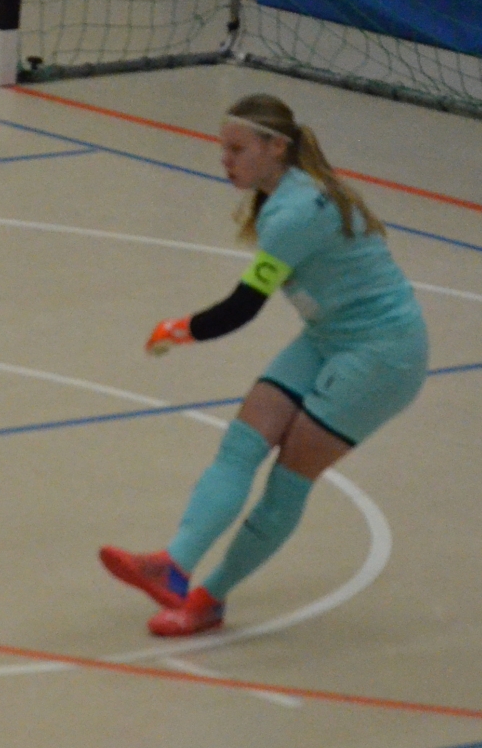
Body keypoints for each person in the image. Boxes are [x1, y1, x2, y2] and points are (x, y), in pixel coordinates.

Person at [100, 93, 428, 636]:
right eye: (222, 149)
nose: (225, 160)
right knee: (241, 443)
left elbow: (242, 308)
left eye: (237, 149)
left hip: (382, 354)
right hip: (328, 336)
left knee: (286, 481)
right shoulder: (286, 196)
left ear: (276, 147)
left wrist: (177, 330)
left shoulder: (296, 213)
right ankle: (172, 566)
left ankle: (209, 598)